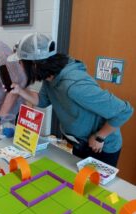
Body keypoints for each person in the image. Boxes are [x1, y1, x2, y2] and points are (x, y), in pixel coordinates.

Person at [7, 32, 133, 167]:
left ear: (34, 65)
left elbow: (124, 111)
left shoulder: (74, 85)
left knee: (94, 186)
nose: (19, 66)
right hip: (79, 142)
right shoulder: (50, 77)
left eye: (20, 62)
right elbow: (42, 100)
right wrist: (20, 91)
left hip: (101, 146)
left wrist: (100, 136)